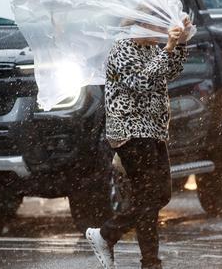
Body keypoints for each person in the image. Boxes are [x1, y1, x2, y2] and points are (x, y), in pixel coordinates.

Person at [86, 17, 192, 269]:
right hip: (129, 131)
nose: (159, 31)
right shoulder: (121, 50)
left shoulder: (149, 48)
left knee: (159, 195)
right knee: (148, 195)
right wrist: (167, 48)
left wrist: (180, 44)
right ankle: (150, 262)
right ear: (138, 27)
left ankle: (106, 235)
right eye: (154, 26)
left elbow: (171, 71)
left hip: (153, 130)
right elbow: (140, 83)